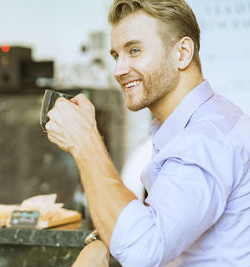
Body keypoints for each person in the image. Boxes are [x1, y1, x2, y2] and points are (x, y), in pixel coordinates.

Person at [45, 0, 250, 266]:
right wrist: (102, 240)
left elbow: (143, 250)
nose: (119, 70)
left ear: (183, 53)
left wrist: (86, 143)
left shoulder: (205, 139)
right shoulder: (195, 123)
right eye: (116, 55)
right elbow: (166, 217)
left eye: (134, 50)